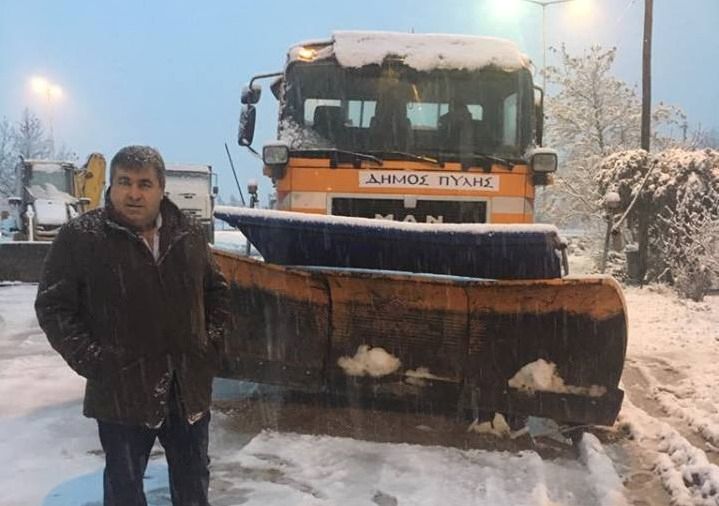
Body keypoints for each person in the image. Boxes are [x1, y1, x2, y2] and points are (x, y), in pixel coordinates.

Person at [35, 145, 229, 506]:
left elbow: (217, 292)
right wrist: (95, 361)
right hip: (121, 391)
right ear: (111, 186)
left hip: (186, 388)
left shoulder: (188, 234)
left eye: (144, 184)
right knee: (124, 490)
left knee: (193, 488)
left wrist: (210, 347)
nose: (134, 193)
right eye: (124, 182)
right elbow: (53, 306)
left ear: (161, 189)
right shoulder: (82, 237)